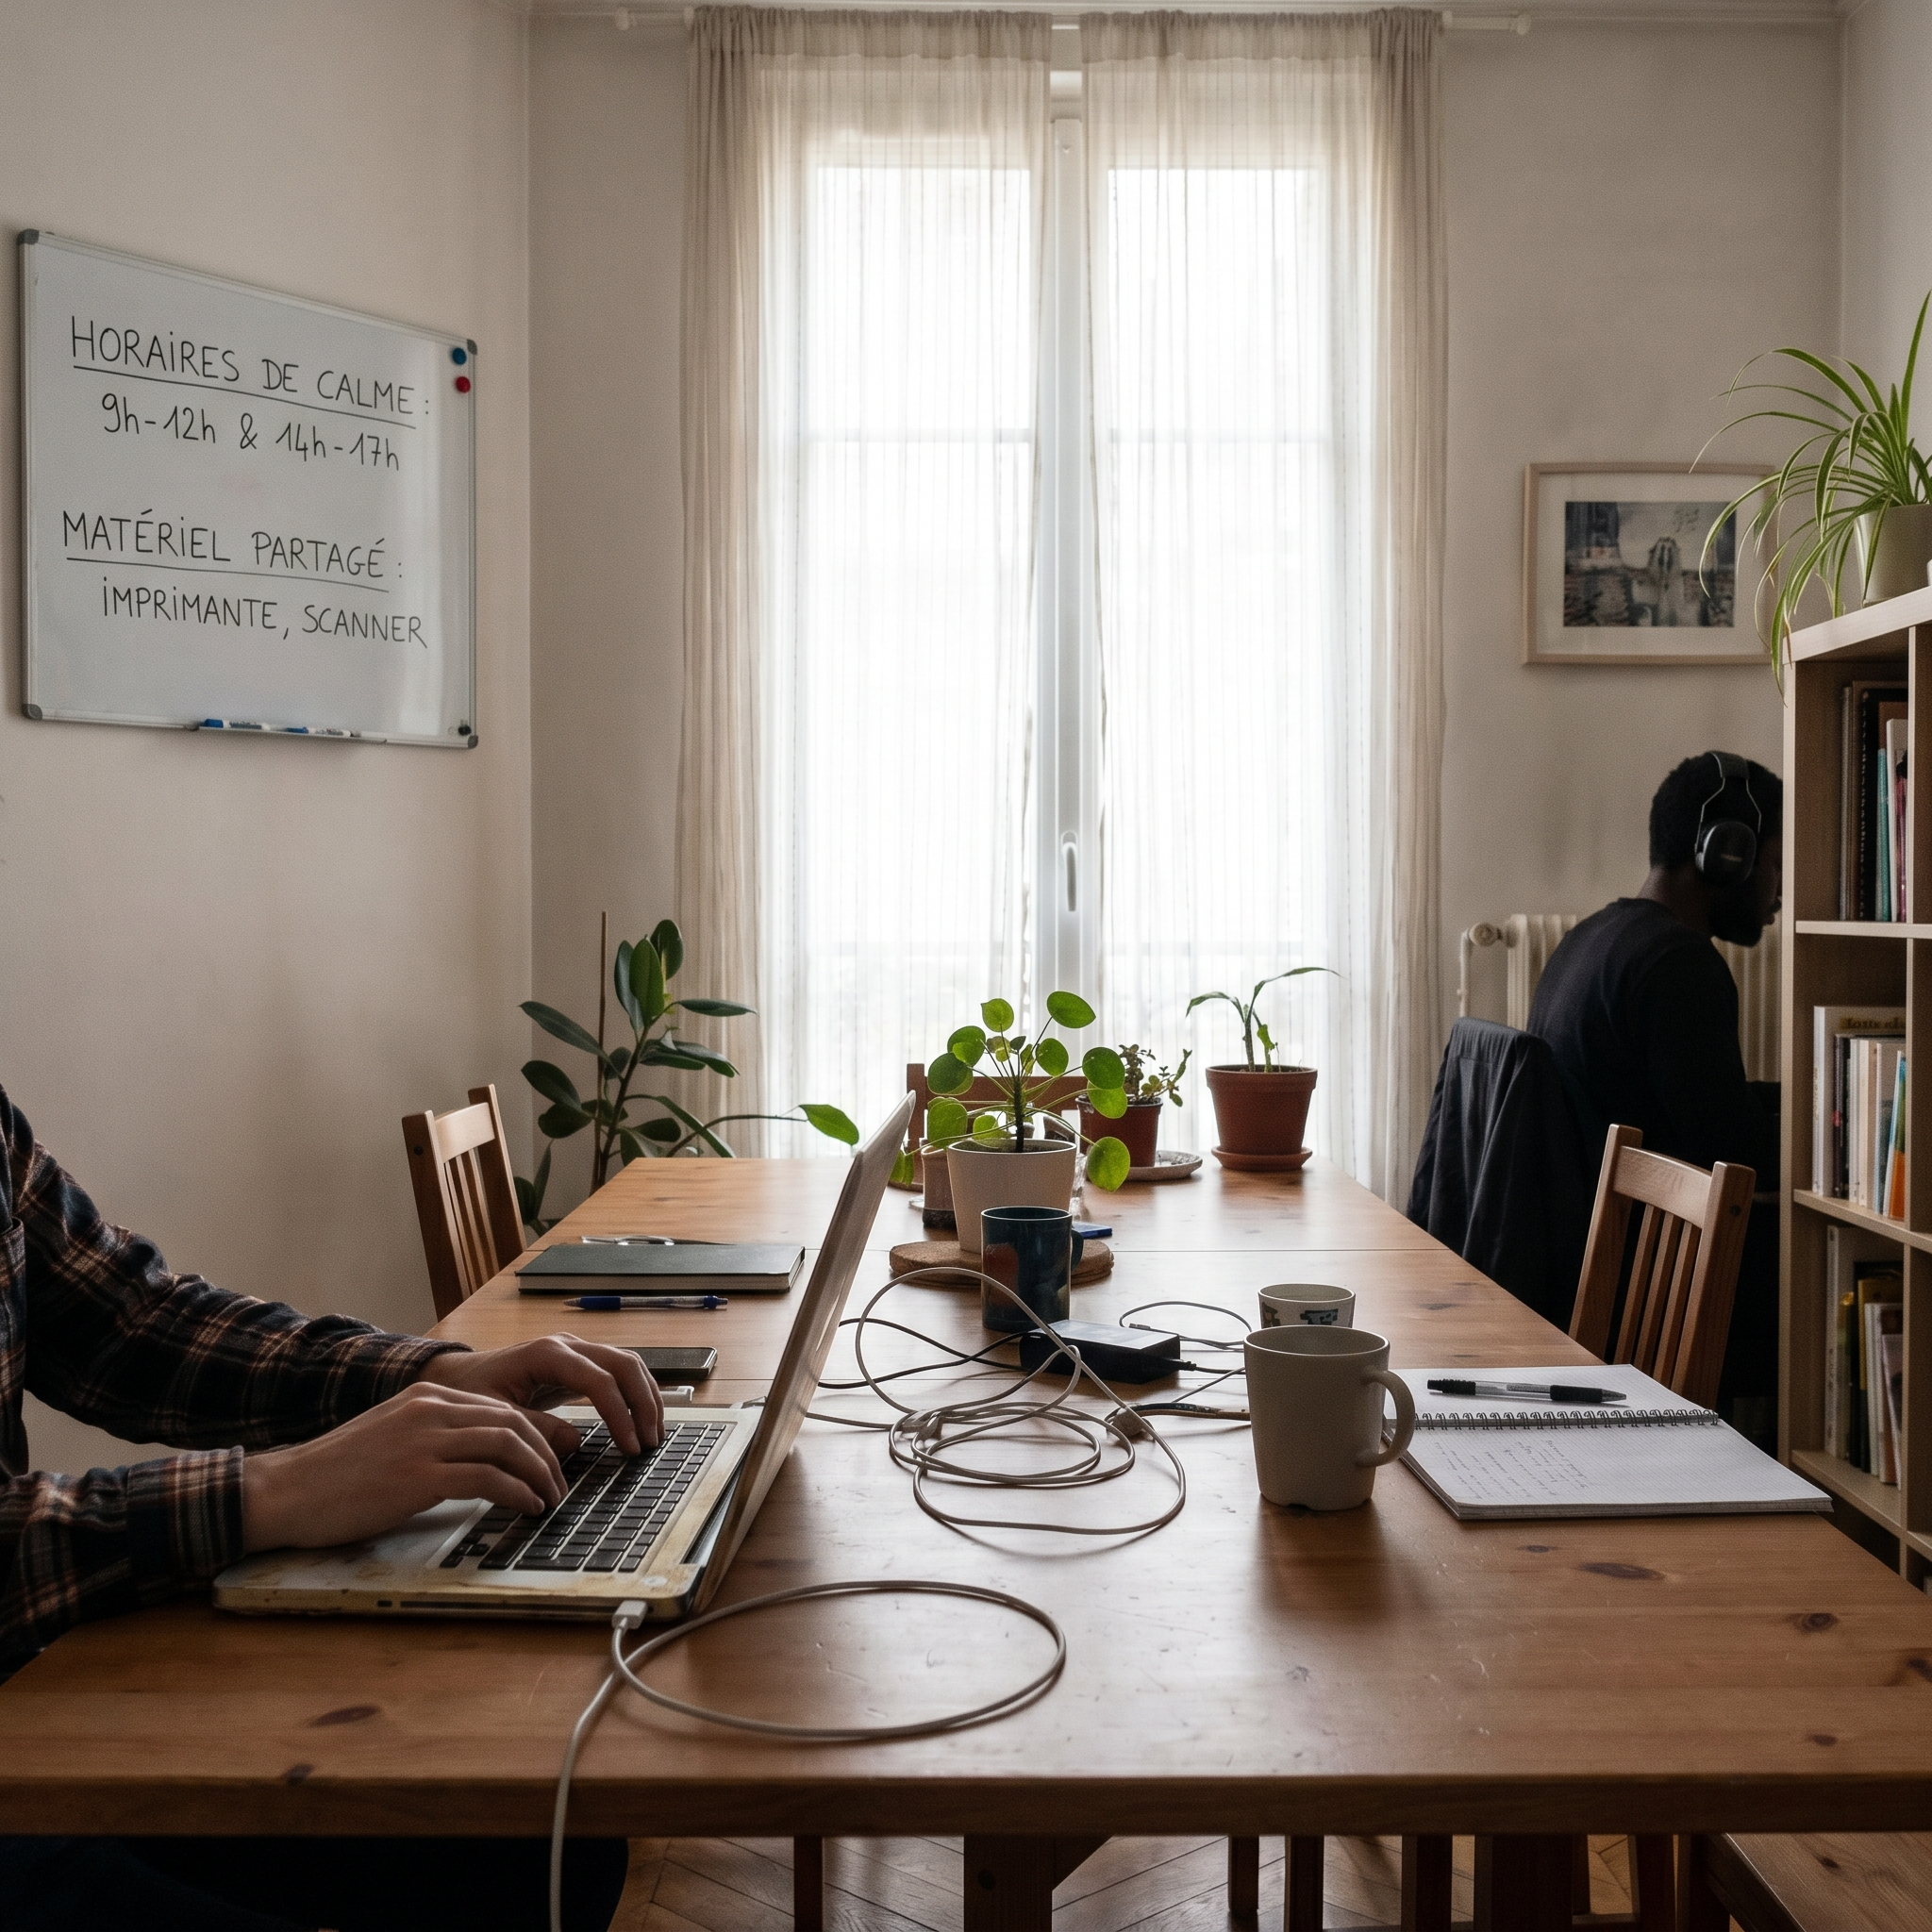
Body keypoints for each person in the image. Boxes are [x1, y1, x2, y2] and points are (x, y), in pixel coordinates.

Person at [0, 1081, 659, 1932]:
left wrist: (424, 1375)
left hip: (26, 1701)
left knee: (553, 1846)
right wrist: (272, 1490)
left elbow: (134, 1324)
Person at [1528, 751, 1782, 1434]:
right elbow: (1737, 1157)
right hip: (1645, 1290)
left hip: (1578, 1269)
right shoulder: (1681, 965)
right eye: (1775, 863)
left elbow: (1681, 1097)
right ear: (1726, 854)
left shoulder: (1592, 938)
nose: (1780, 891)